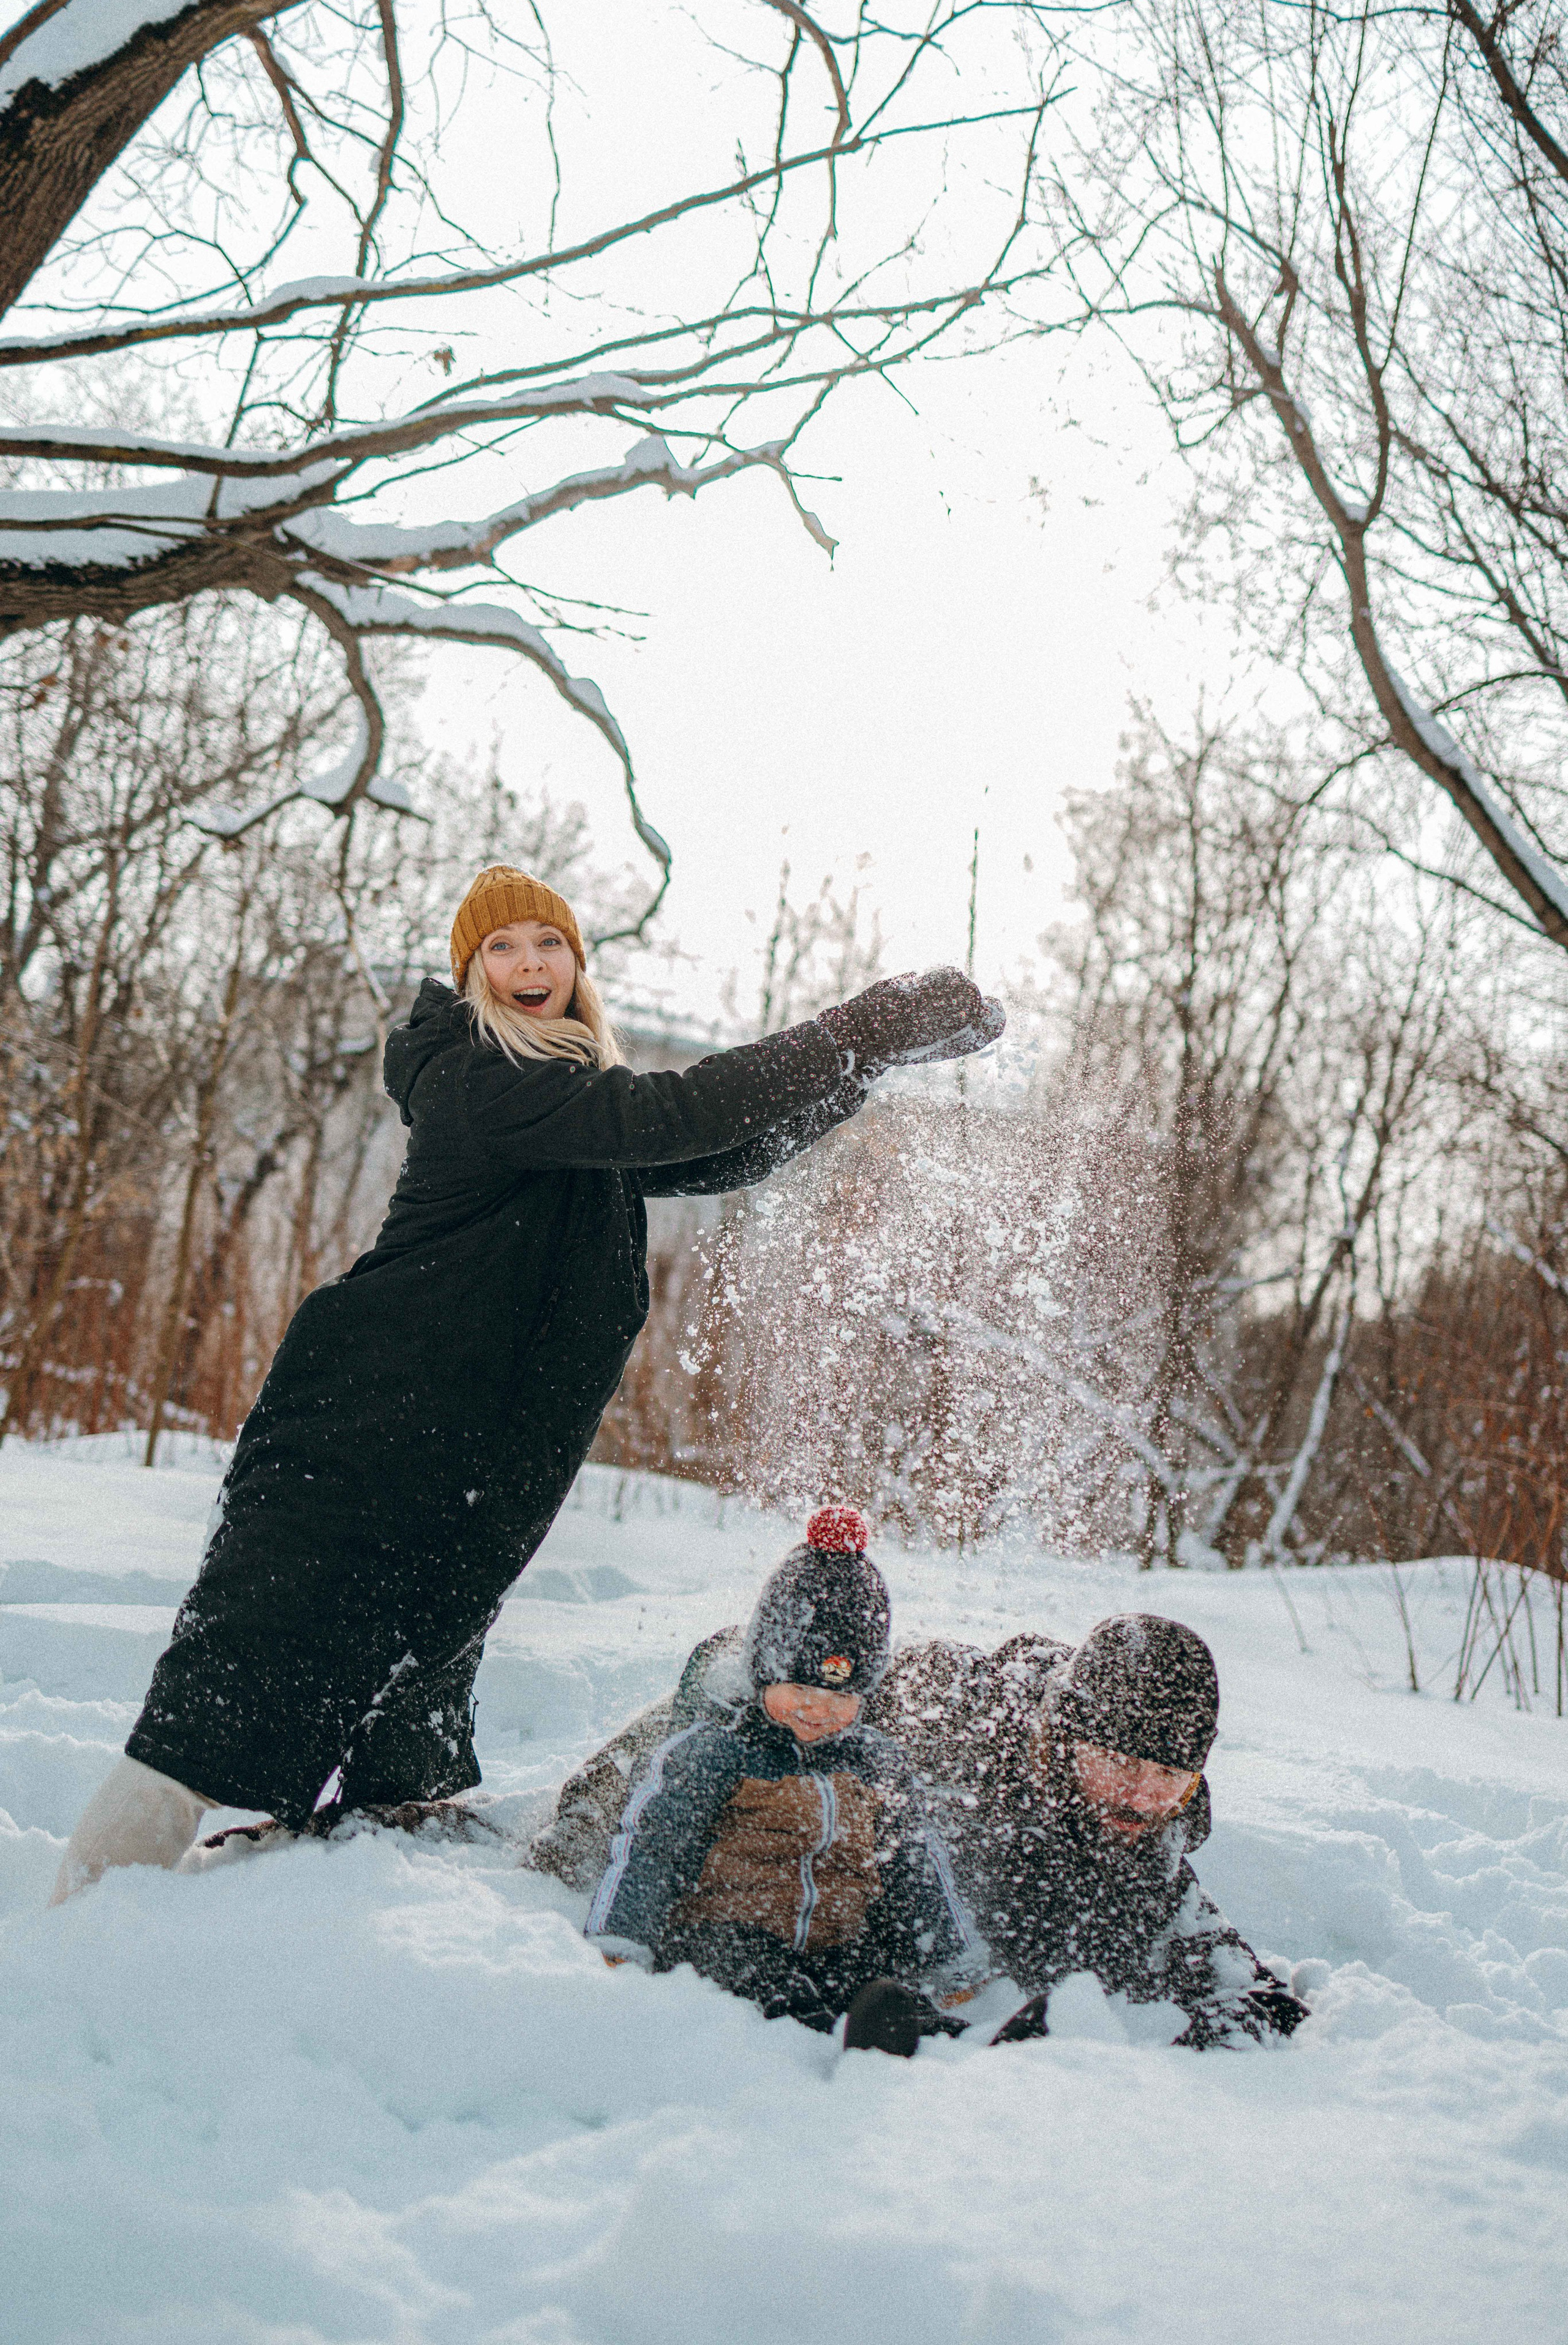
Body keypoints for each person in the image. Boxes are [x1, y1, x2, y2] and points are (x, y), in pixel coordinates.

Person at [50, 867, 1003, 1903]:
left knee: (404, 1697)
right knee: (238, 1687)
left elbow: (724, 1149)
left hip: (459, 1453)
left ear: (575, 965)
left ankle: (304, 1918)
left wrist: (867, 1064)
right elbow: (679, 1111)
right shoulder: (477, 1081)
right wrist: (860, 1022)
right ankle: (86, 1927)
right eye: (502, 948)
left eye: (548, 942)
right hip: (358, 1430)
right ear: (473, 976)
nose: (530, 963)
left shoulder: (569, 1111)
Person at [584, 1508, 979, 2056]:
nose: (818, 1711)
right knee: (756, 1973)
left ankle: (939, 2036)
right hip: (727, 1931)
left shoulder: (876, 1764)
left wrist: (949, 1956)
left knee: (871, 1972)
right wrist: (622, 1937)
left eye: (842, 1697)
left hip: (836, 1937)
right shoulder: (716, 1752)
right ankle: (813, 2039)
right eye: (800, 1689)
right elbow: (653, 1847)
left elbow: (914, 1860)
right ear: (763, 1671)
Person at [864, 1614, 1310, 2047]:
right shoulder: (965, 1739)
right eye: (1120, 1762)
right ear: (1064, 1739)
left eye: (1169, 1774)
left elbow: (1243, 1983)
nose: (1141, 1796)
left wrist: (1232, 2023)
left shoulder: (1154, 1828)